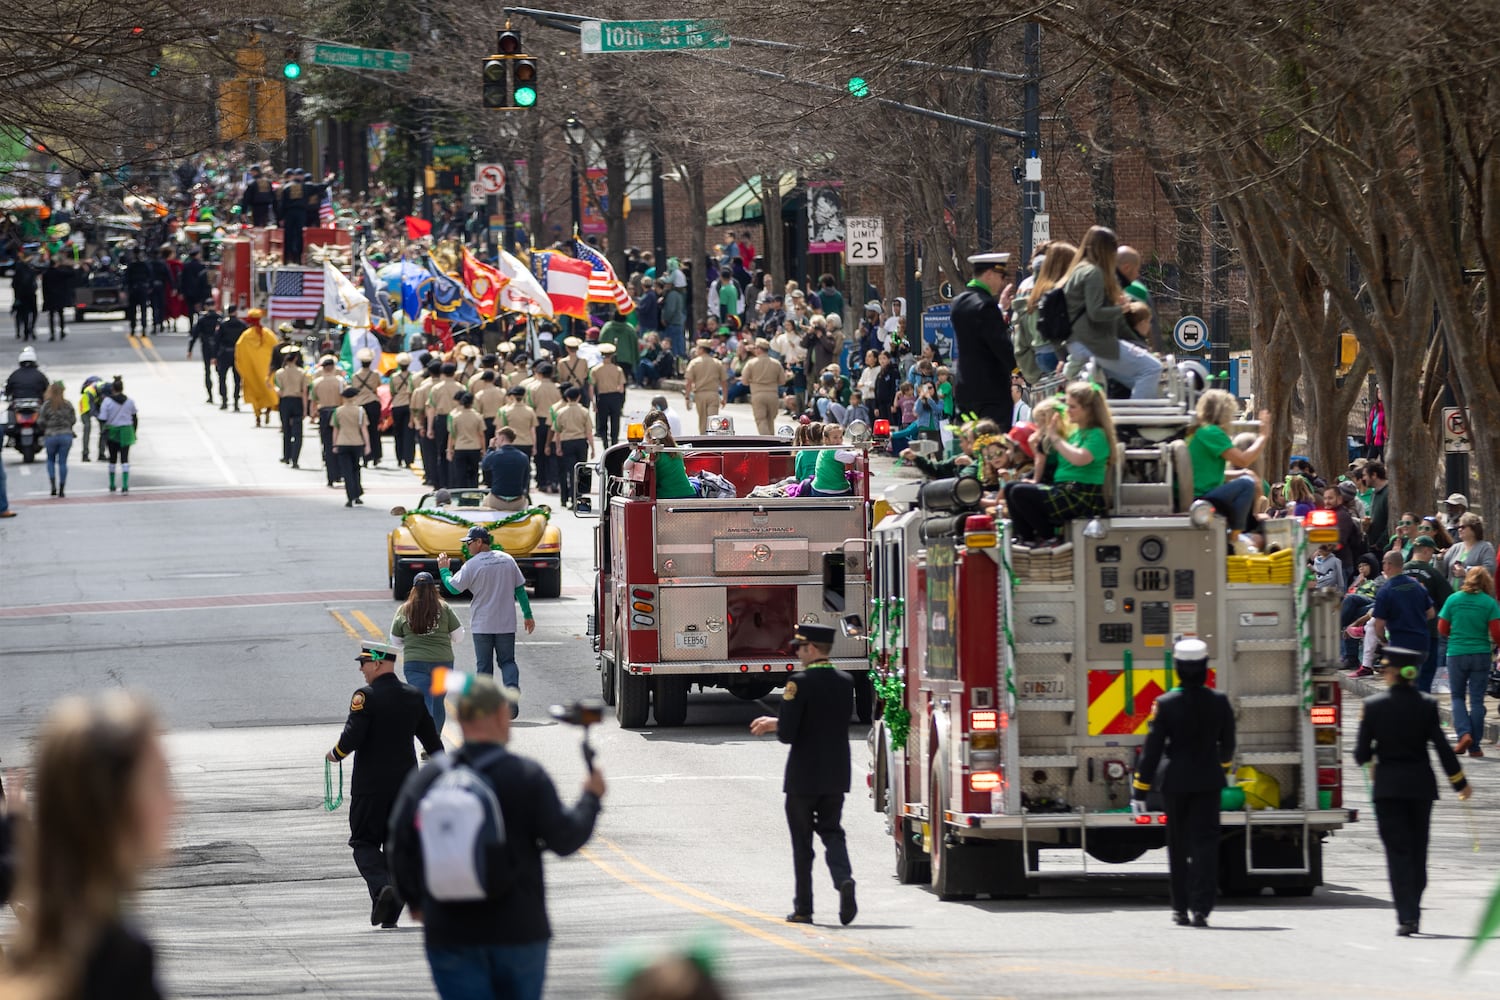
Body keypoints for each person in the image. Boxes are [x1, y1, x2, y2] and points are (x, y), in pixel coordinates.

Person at [386, 674, 604, 1000]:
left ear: (459, 718)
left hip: (450, 930)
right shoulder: (526, 775)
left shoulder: (430, 778)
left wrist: (416, 901)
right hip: (518, 931)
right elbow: (565, 839)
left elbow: (398, 842)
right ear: (501, 714)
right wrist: (591, 799)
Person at [0, 692, 174, 998]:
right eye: (159, 781)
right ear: (112, 803)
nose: (175, 803)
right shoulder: (117, 959)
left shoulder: (37, 947)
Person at [1353, 645, 1472, 936]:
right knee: (1418, 852)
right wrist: (1459, 782)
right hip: (1421, 787)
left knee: (1398, 853)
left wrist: (1372, 751)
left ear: (1395, 672)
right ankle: (1414, 910)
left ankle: (1406, 916)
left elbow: (1359, 754)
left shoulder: (1373, 707)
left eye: (1384, 669)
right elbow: (1443, 749)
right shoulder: (1426, 705)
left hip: (1388, 790)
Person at [325, 640, 442, 929]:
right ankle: (388, 909)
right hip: (406, 788)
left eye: (364, 663)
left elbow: (352, 737)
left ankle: (381, 889)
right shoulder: (413, 696)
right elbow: (431, 740)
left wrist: (335, 754)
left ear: (377, 662)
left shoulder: (365, 697)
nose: (362, 670)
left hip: (370, 787)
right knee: (395, 846)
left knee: (363, 842)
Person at [748, 623, 858, 926]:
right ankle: (844, 878)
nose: (797, 652)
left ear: (811, 649)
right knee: (832, 831)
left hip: (804, 776)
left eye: (800, 647)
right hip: (837, 773)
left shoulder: (798, 683)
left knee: (802, 844)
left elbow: (788, 734)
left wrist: (775, 723)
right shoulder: (845, 680)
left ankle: (804, 908)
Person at [1131, 638, 1236, 928]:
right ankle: (1201, 908)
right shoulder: (1220, 701)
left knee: (1177, 845)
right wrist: (1221, 768)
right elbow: (1228, 744)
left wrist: (1140, 787)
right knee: (1206, 845)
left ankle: (1179, 908)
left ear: (1177, 668)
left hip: (1175, 782)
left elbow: (1152, 750)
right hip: (1208, 781)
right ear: (1204, 667)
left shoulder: (1165, 704)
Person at [438, 525, 536, 707]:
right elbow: (520, 590)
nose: (467, 546)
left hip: (482, 624)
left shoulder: (473, 565)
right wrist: (528, 615)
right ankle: (512, 693)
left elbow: (452, 587)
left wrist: (444, 570)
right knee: (507, 661)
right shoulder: (507, 560)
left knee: (484, 667)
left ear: (479, 542)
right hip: (506, 623)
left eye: (469, 542)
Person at [1006, 381, 1115, 545]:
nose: (1067, 410)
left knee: (1020, 492)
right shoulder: (1076, 432)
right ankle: (1026, 538)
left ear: (1088, 409)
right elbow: (1053, 459)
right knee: (1011, 488)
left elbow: (1079, 458)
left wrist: (1055, 438)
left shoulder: (1097, 434)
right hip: (1065, 488)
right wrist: (1039, 446)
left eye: (1073, 407)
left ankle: (1049, 538)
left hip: (1081, 494)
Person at [1061, 227, 1163, 399]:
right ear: (1106, 249)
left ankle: (1121, 421)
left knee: (1135, 379)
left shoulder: (1078, 270)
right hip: (1094, 343)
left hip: (1080, 342)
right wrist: (1121, 308)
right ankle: (1135, 422)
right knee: (1152, 369)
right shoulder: (1094, 273)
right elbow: (1095, 313)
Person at [1437, 566, 1500, 759]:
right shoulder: (1489, 603)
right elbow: (1497, 633)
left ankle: (1464, 733)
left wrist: (1455, 636)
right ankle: (1475, 746)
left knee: (1457, 696)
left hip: (1456, 652)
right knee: (1477, 700)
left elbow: (1442, 627)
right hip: (1480, 653)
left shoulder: (1453, 599)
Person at [950, 252, 1017, 429]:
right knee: (994, 446)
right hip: (991, 392)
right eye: (1001, 276)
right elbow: (1000, 345)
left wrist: (1000, 308)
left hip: (965, 388)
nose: (1002, 282)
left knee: (970, 445)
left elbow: (978, 333)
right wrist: (1018, 369)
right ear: (989, 274)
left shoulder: (959, 302)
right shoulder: (987, 306)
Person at [390, 574, 464, 733]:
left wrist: (412, 642)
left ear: (413, 589)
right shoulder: (444, 608)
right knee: (438, 702)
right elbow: (459, 636)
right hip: (443, 661)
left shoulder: (404, 609)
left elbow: (395, 641)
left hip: (414, 663)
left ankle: (429, 741)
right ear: (433, 588)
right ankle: (434, 740)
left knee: (424, 701)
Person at [1365, 550, 1434, 680]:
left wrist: (1384, 641)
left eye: (1383, 563)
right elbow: (1431, 613)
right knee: (1418, 682)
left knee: (1401, 685)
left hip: (1399, 645)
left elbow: (1379, 625)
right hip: (1421, 643)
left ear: (1388, 565)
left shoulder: (1385, 591)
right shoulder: (1417, 586)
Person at [1403, 537, 1452, 692]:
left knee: (1405, 674)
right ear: (1426, 550)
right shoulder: (1433, 574)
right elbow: (1449, 599)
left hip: (1403, 631)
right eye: (1431, 552)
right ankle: (1422, 707)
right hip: (1428, 631)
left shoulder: (1401, 571)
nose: (1432, 556)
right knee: (1426, 673)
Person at [235, 308, 279, 428]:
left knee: (255, 394)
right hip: (266, 371)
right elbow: (276, 348)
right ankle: (268, 410)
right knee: (269, 392)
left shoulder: (245, 336)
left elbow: (239, 354)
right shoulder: (268, 334)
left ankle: (258, 416)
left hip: (252, 372)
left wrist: (242, 370)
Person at [552, 385, 594, 509]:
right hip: (581, 442)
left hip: (566, 443)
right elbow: (589, 432)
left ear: (567, 397)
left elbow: (557, 432)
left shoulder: (560, 412)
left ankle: (564, 499)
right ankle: (576, 498)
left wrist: (558, 447)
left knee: (567, 471)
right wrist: (592, 448)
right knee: (580, 471)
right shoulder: (584, 411)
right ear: (579, 397)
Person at [642, 410, 695, 499]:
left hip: (666, 496)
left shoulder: (651, 453)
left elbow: (654, 481)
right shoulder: (676, 448)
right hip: (689, 493)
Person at [333, 385, 372, 507]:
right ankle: (357, 494)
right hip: (357, 443)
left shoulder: (338, 411)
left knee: (346, 471)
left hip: (342, 442)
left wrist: (334, 444)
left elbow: (336, 429)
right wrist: (367, 445)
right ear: (355, 397)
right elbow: (364, 429)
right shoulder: (360, 411)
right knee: (356, 468)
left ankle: (350, 497)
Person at [99, 377, 139, 494]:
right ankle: (125, 485)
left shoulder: (107, 402)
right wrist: (134, 431)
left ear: (112, 389)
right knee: (125, 458)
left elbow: (102, 418)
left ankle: (112, 484)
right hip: (126, 431)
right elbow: (135, 417)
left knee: (112, 458)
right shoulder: (130, 401)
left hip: (112, 431)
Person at [311, 356, 345, 488]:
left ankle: (330, 477)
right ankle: (340, 473)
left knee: (327, 445)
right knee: (340, 443)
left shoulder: (317, 382)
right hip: (338, 412)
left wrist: (313, 414)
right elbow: (344, 398)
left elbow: (314, 401)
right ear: (333, 367)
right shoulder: (340, 381)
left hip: (324, 413)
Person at [741, 338, 787, 435]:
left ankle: (767, 444)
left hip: (758, 394)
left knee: (761, 420)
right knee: (770, 421)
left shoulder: (751, 363)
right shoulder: (776, 363)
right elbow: (782, 381)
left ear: (759, 349)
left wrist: (754, 381)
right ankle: (773, 445)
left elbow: (744, 381)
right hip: (773, 395)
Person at [39, 379, 75, 498]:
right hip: (66, 435)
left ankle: (53, 486)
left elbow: (41, 421)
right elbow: (73, 420)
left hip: (51, 436)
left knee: (50, 460)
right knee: (63, 462)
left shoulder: (46, 405)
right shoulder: (67, 404)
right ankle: (62, 489)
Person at [274, 346, 309, 468]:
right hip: (297, 401)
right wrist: (305, 409)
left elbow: (278, 390)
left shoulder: (280, 373)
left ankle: (286, 456)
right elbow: (304, 392)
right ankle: (295, 459)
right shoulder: (302, 373)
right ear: (296, 358)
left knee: (286, 430)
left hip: (285, 402)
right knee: (298, 433)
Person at [350, 348, 384, 467]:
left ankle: (364, 456)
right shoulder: (375, 374)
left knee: (362, 431)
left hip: (360, 404)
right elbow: (378, 386)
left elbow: (354, 389)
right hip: (373, 402)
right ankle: (376, 455)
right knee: (374, 430)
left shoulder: (355, 376)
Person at [684, 339, 727, 433]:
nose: (696, 350)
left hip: (700, 395)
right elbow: (724, 382)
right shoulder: (717, 363)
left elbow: (688, 382)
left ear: (702, 349)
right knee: (713, 422)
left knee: (703, 421)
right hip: (713, 394)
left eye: (697, 348)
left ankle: (703, 442)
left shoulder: (694, 363)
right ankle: (713, 443)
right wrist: (724, 397)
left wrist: (687, 397)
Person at [1442, 513, 1496, 587]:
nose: (1459, 530)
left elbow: (1489, 570)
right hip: (1453, 596)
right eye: (1458, 527)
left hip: (1475, 596)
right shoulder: (1455, 547)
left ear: (1474, 529)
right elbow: (1441, 572)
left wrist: (1466, 572)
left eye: (1463, 527)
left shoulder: (1486, 548)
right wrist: (1439, 559)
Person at [590, 342, 628, 447]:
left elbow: (591, 387)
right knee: (615, 422)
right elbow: (621, 388)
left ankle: (605, 444)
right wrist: (621, 401)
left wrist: (593, 403)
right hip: (615, 397)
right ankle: (614, 443)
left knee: (603, 422)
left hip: (602, 397)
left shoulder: (595, 369)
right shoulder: (618, 369)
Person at [447, 392, 486, 489]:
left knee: (460, 475)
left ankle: (461, 495)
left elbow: (452, 435)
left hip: (460, 447)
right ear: (472, 403)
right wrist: (483, 449)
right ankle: (474, 494)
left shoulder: (456, 417)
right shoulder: (477, 416)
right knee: (474, 474)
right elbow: (481, 435)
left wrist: (450, 450)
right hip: (474, 447)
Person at [214, 305, 246, 411]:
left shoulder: (223, 325)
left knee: (222, 378)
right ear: (236, 312)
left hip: (224, 354)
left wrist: (215, 356)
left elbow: (217, 341)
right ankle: (236, 402)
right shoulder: (242, 324)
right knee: (237, 379)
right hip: (237, 354)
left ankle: (224, 401)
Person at [188, 305, 221, 404]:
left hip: (206, 347)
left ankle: (210, 395)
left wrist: (190, 349)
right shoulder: (219, 318)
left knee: (207, 371)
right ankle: (222, 393)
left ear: (206, 307)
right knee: (220, 372)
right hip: (217, 347)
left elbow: (194, 335)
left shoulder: (202, 319)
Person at [389, 354, 416, 468]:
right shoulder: (413, 376)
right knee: (409, 434)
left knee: (398, 433)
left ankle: (399, 458)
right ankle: (408, 459)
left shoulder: (393, 377)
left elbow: (392, 391)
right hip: (409, 406)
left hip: (397, 406)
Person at [41, 256, 72, 341]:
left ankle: (52, 334)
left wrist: (44, 299)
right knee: (60, 315)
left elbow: (44, 288)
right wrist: (67, 265)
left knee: (51, 316)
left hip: (50, 297)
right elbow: (71, 274)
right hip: (59, 297)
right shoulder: (60, 272)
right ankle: (62, 331)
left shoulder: (46, 274)